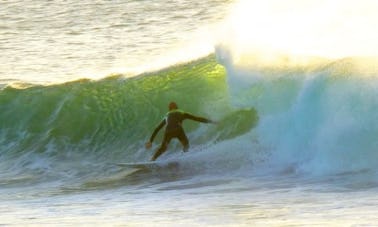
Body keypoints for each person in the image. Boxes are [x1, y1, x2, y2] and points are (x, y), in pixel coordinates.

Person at [145, 102, 216, 161]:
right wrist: (211, 121)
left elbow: (157, 128)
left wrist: (150, 141)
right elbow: (197, 118)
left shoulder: (167, 115)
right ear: (177, 107)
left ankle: (152, 159)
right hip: (178, 130)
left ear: (169, 109)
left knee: (163, 148)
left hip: (168, 131)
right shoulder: (181, 113)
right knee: (186, 145)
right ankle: (184, 157)